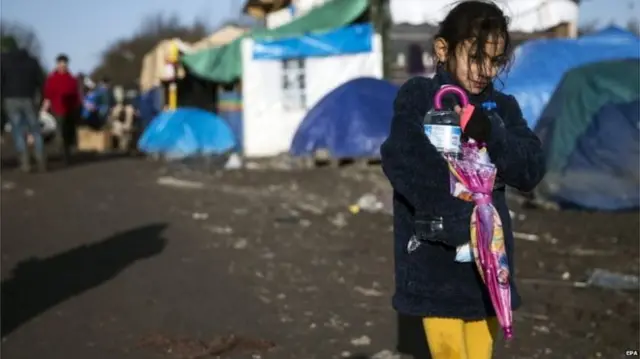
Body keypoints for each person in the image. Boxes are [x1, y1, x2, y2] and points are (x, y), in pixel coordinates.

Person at [380, 2, 546, 358]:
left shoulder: (503, 108)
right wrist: (461, 223)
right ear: (443, 49)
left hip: (488, 269)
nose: (485, 71)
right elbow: (404, 163)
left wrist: (492, 134)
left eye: (495, 61)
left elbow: (531, 171)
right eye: (475, 57)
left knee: (480, 353)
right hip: (435, 263)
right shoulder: (419, 98)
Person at [1, 38, 46, 172]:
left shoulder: (3, 61)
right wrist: (39, 96)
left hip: (10, 98)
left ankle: (25, 162)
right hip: (29, 97)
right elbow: (41, 80)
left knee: (18, 130)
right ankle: (40, 159)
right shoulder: (32, 61)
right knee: (35, 129)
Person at [42, 54, 81, 163]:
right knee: (60, 131)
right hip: (58, 109)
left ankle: (67, 152)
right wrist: (45, 108)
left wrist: (77, 107)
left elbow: (76, 94)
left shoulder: (71, 79)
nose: (63, 66)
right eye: (61, 64)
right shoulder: (52, 79)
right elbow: (48, 95)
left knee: (68, 132)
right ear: (57, 64)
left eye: (65, 64)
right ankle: (62, 153)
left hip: (70, 109)